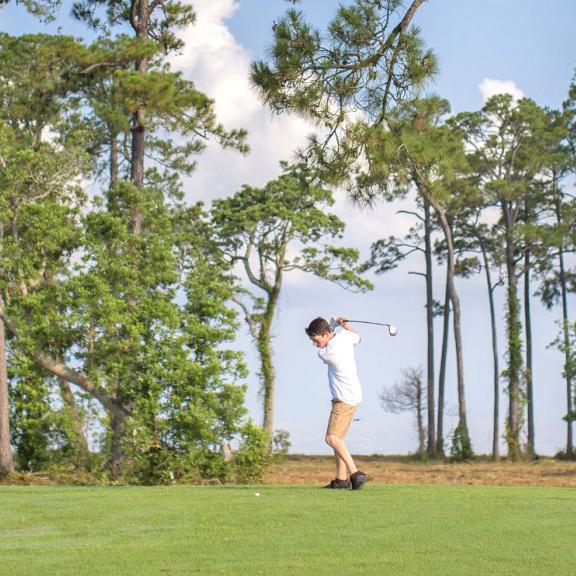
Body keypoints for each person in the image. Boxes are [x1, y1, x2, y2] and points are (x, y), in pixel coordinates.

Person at [305, 316, 368, 490]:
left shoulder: (327, 353)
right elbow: (358, 337)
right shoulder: (345, 336)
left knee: (331, 438)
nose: (315, 344)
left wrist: (335, 324)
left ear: (325, 334)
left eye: (316, 340)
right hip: (354, 396)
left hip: (343, 399)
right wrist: (344, 325)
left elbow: (324, 347)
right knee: (339, 439)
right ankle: (341, 480)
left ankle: (356, 473)